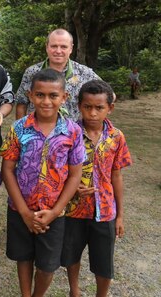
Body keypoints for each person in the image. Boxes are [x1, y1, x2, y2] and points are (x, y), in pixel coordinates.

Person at [1, 69, 86, 297]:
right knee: (24, 257)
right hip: (20, 209)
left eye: (53, 95)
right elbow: (7, 170)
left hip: (54, 213)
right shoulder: (18, 128)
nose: (46, 101)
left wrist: (55, 211)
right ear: (30, 95)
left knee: (48, 265)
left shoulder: (73, 132)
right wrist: (24, 212)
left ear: (64, 97)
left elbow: (75, 174)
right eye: (40, 95)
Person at [61, 80, 132, 297]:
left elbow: (116, 175)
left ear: (110, 108)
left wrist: (119, 215)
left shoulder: (116, 137)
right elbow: (59, 172)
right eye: (87, 107)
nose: (93, 113)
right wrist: (71, 189)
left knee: (103, 261)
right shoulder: (68, 134)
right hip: (74, 209)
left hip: (105, 212)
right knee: (71, 255)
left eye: (99, 108)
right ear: (79, 106)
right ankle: (75, 291)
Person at [15, 28, 101, 121]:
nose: (58, 51)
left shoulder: (84, 72)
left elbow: (109, 95)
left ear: (71, 48)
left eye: (63, 47)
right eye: (54, 46)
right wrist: (21, 131)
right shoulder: (32, 72)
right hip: (36, 132)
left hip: (72, 133)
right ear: (47, 47)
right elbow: (21, 103)